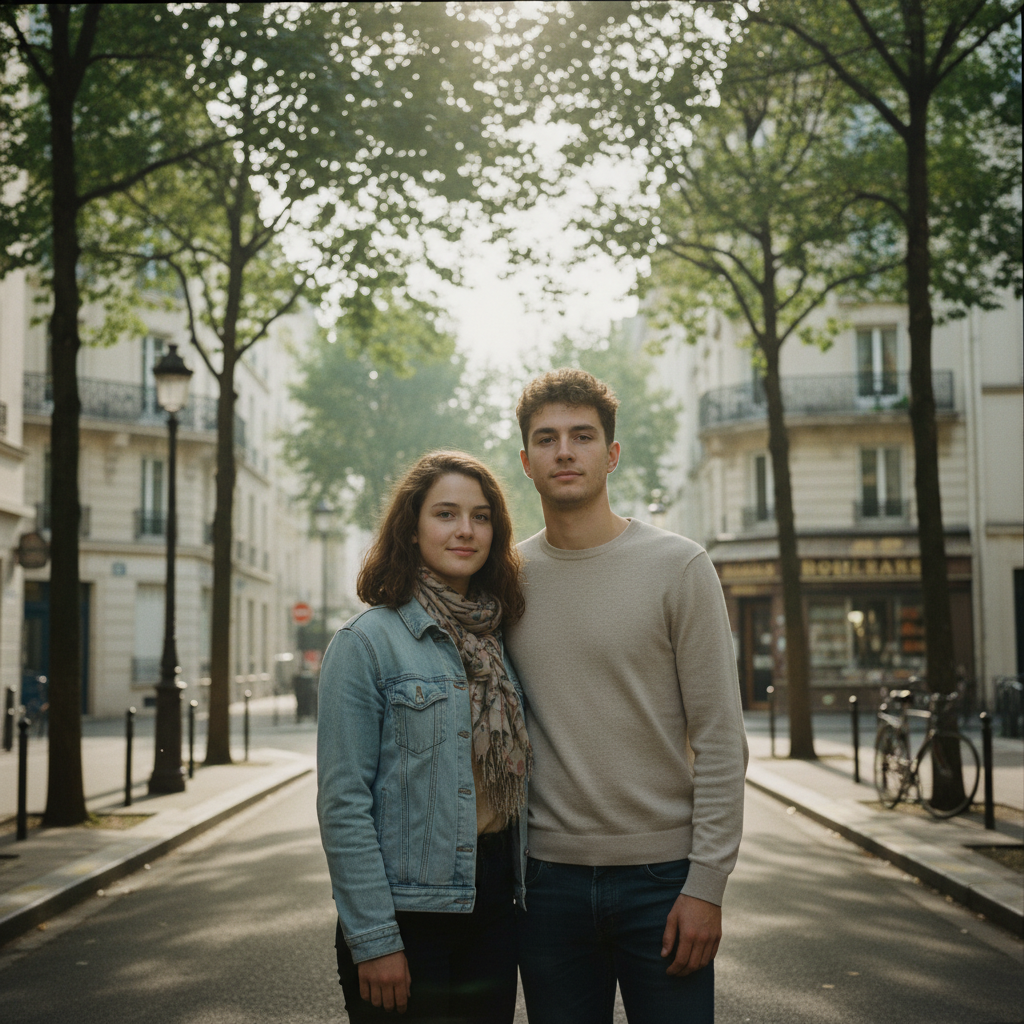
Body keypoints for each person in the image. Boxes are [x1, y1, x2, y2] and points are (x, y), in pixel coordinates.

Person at [506, 369, 748, 1024]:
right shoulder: (505, 579)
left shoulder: (680, 566)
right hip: (545, 886)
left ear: (611, 454)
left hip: (663, 881)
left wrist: (707, 885)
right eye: (547, 439)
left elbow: (722, 740)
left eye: (582, 436)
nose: (564, 452)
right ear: (525, 460)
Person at [317, 451, 531, 1024]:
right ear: (410, 530)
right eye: (445, 514)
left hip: (494, 905)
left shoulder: (501, 636)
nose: (465, 530)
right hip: (409, 913)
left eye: (481, 516)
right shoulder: (366, 643)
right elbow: (343, 805)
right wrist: (376, 938)